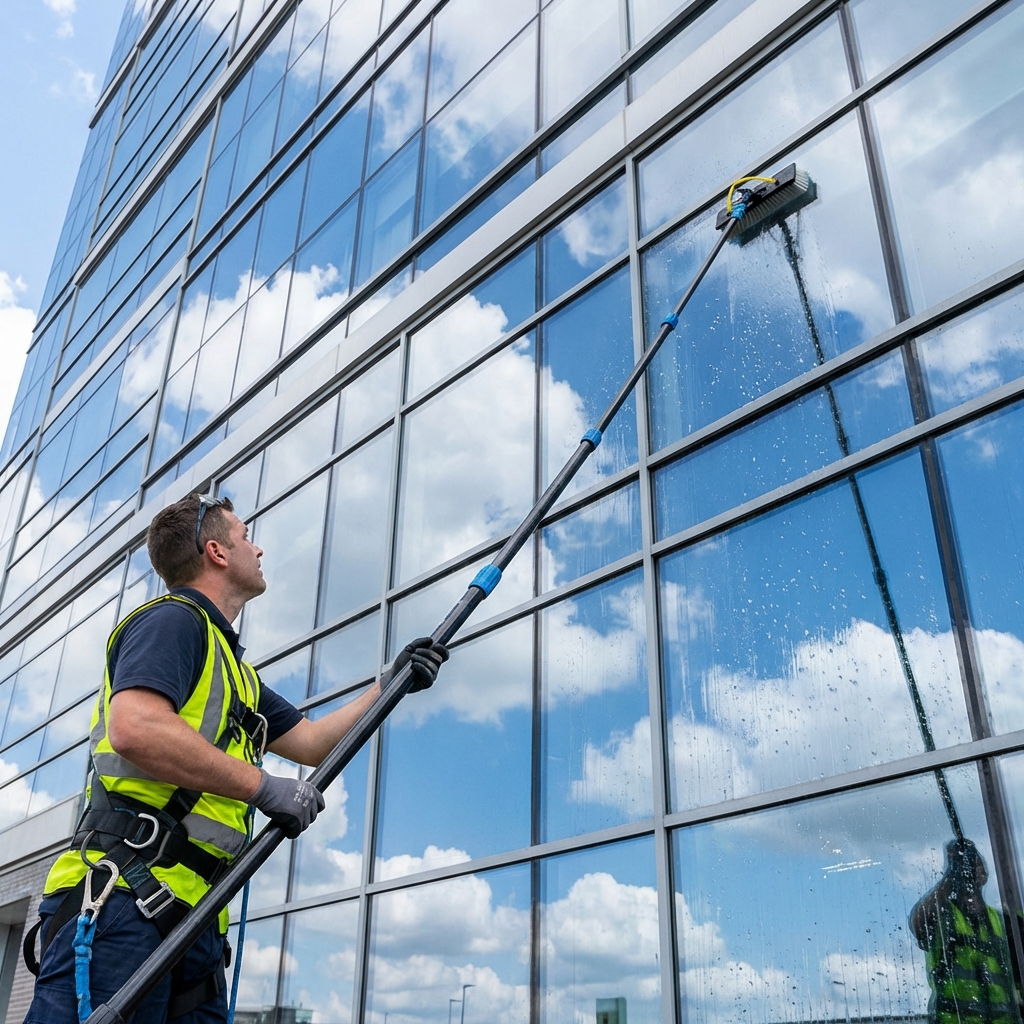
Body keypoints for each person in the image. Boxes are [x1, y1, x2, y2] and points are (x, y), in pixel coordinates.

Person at [23, 493, 448, 1024]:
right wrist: (263, 787)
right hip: (123, 902)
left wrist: (391, 684)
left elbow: (314, 742)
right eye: (248, 537)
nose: (260, 548)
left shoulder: (239, 675)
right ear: (217, 552)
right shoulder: (172, 623)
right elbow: (135, 727)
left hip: (193, 922)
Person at [910, 838, 1022, 1024]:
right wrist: (951, 875)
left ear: (984, 874)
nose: (969, 869)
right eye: (961, 864)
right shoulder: (941, 917)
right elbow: (919, 924)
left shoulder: (1007, 922)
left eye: (974, 863)